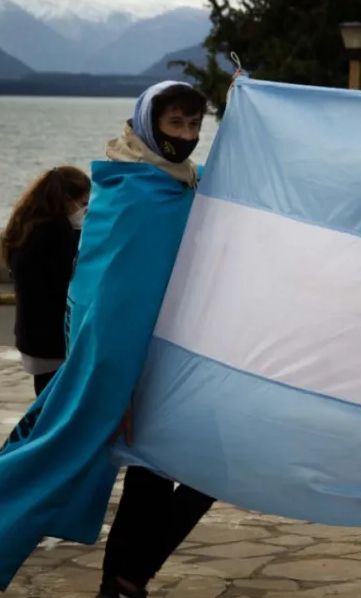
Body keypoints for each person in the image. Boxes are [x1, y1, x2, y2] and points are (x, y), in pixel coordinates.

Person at [96, 81, 215, 598]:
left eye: (195, 125)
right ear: (149, 123)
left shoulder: (187, 182)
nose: (186, 136)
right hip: (134, 362)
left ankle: (123, 582)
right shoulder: (135, 191)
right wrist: (116, 382)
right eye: (175, 124)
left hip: (177, 355)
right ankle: (123, 582)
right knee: (163, 476)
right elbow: (108, 293)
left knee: (160, 477)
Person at [0, 166, 91, 397]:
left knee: (45, 400)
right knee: (55, 406)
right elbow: (71, 276)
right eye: (83, 203)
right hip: (52, 340)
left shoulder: (27, 227)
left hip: (34, 338)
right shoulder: (54, 234)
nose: (86, 209)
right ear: (67, 199)